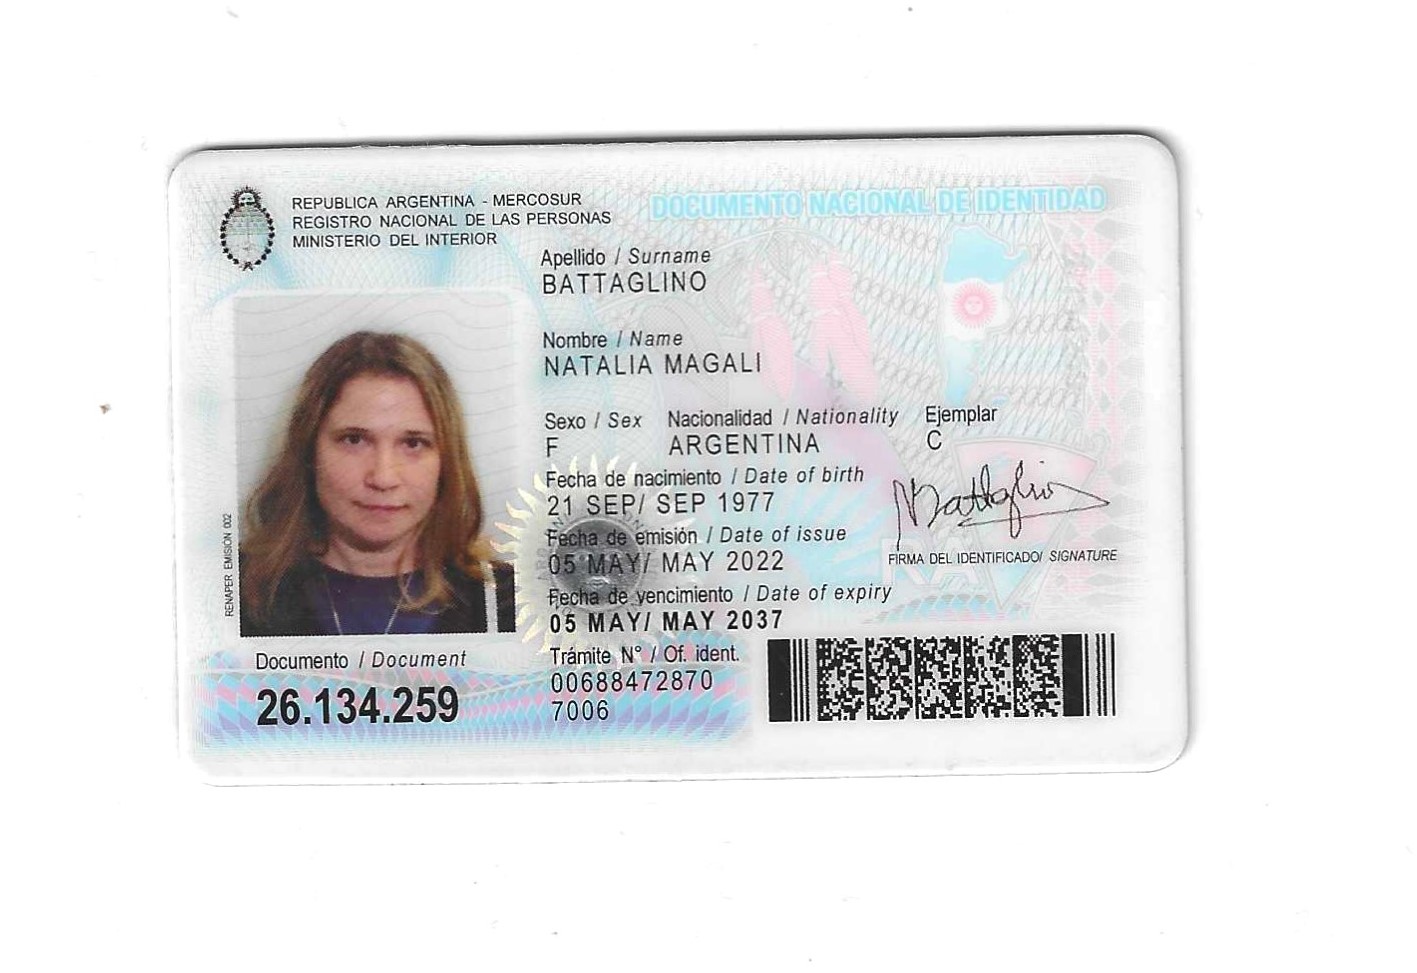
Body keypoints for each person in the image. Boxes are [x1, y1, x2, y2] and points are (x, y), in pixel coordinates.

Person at [240, 331, 515, 636]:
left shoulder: (509, 603)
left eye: (413, 443)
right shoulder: (228, 591)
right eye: (354, 440)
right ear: (308, 450)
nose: (383, 478)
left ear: (446, 461)